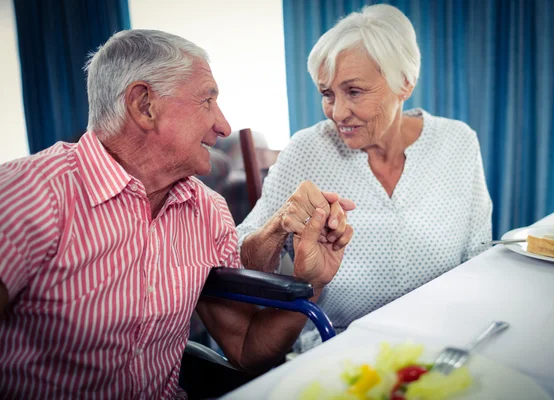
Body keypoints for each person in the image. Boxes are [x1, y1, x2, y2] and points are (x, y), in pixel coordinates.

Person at [0, 30, 354, 398]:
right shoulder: (26, 195)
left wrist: (309, 282)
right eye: (207, 101)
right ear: (144, 105)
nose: (224, 125)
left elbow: (248, 349)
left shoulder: (207, 211)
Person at [237, 4, 493, 352]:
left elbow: (479, 255)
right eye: (328, 94)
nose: (338, 113)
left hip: (442, 343)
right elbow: (241, 257)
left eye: (354, 91)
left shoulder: (458, 142)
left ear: (405, 82)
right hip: (338, 348)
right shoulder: (306, 150)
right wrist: (279, 225)